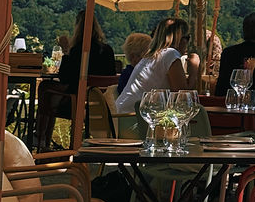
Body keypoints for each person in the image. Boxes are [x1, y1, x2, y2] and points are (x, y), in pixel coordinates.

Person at [36, 10, 116, 151]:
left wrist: (66, 51)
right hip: (101, 104)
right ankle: (42, 139)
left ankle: (42, 138)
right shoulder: (107, 50)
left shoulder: (79, 50)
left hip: (76, 103)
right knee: (48, 91)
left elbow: (66, 77)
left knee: (44, 87)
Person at [116, 17, 193, 113]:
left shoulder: (151, 56)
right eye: (188, 37)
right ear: (180, 39)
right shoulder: (170, 54)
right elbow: (183, 99)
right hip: (135, 118)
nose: (188, 42)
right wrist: (195, 69)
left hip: (123, 115)